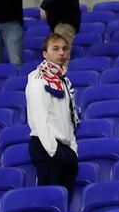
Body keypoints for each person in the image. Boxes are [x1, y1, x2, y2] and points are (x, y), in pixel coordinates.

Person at [26, 32, 80, 191]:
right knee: (51, 202)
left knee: (63, 202)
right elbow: (40, 119)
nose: (61, 53)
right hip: (48, 147)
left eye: (64, 48)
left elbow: (67, 117)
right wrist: (53, 151)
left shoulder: (63, 80)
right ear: (45, 53)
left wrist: (72, 149)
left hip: (65, 148)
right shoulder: (38, 80)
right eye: (55, 49)